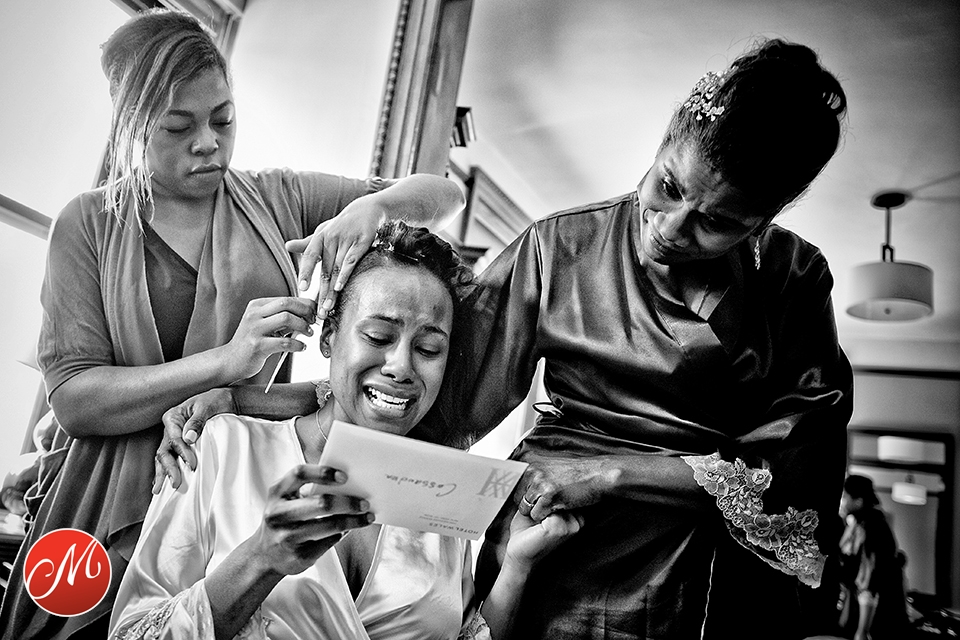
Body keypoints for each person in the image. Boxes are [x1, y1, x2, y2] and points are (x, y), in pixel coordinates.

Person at [159, 37, 853, 639]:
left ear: (765, 219)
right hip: (555, 539)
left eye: (717, 222)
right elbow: (426, 383)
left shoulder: (794, 280)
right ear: (665, 141)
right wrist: (244, 401)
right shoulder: (559, 248)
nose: (670, 229)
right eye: (667, 186)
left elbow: (801, 462)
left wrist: (610, 473)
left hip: (710, 568)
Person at [0, 9, 464, 639]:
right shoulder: (87, 225)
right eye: (179, 127)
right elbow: (76, 401)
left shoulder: (278, 199)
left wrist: (376, 207)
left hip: (223, 484)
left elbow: (444, 194)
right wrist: (224, 363)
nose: (209, 144)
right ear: (132, 125)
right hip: (105, 500)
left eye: (223, 119)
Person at [109, 221, 582, 640]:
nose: (401, 366)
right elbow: (132, 632)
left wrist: (516, 566)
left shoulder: (441, 493)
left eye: (429, 349)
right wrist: (260, 559)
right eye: (378, 337)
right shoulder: (221, 446)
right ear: (330, 336)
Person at [837, 475, 909, 640]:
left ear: (858, 501)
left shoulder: (871, 527)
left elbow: (869, 577)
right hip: (869, 604)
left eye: (845, 497)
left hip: (876, 610)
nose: (842, 502)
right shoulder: (862, 524)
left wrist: (862, 630)